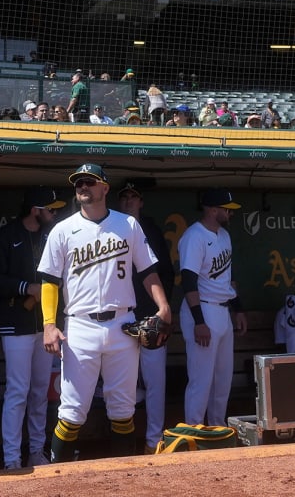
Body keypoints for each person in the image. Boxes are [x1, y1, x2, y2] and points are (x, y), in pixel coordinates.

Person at [39, 164, 170, 462]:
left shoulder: (128, 225)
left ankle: (124, 478)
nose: (83, 187)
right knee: (71, 412)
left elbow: (148, 270)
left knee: (123, 410)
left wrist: (163, 306)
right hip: (80, 326)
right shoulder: (63, 229)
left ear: (105, 188)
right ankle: (57, 478)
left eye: (89, 181)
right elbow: (49, 281)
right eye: (79, 183)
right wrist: (49, 323)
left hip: (123, 324)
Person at [0, 187, 67, 470]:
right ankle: (11, 459)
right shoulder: (7, 236)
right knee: (18, 390)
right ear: (35, 210)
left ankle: (36, 453)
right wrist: (26, 288)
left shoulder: (52, 236)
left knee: (40, 391)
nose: (54, 213)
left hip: (45, 324)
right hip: (15, 323)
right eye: (50, 209)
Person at [178, 190, 246, 429]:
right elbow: (188, 281)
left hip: (223, 310)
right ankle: (195, 430)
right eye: (226, 209)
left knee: (222, 380)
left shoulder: (224, 235)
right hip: (203, 309)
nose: (230, 213)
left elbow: (229, 275)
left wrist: (237, 309)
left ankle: (218, 429)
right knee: (201, 380)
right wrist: (199, 322)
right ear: (212, 210)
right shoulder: (194, 236)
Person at [116, 181, 173, 454]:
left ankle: (154, 440)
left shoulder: (150, 230)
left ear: (140, 202)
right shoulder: (111, 229)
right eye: (124, 197)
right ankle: (122, 443)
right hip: (121, 319)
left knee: (155, 383)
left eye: (133, 197)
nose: (129, 201)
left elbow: (166, 274)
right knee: (121, 386)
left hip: (149, 318)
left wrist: (162, 311)